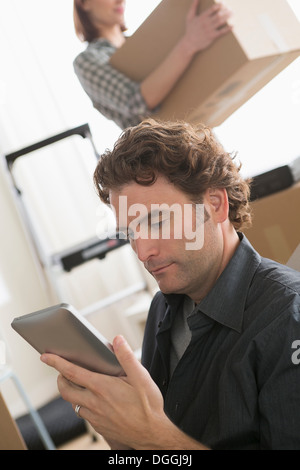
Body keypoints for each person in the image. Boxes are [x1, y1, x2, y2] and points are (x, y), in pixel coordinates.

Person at [41, 119, 300, 450]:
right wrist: (117, 425)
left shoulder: (288, 318)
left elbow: (161, 442)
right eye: (131, 233)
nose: (143, 251)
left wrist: (152, 436)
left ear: (216, 204)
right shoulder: (165, 307)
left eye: (157, 220)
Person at [72, 0, 233, 129]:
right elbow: (137, 103)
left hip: (204, 139)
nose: (120, 1)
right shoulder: (87, 61)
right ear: (83, 3)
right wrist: (189, 44)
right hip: (168, 158)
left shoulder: (148, 43)